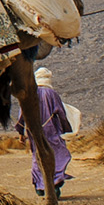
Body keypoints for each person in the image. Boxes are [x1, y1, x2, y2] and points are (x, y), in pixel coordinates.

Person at [18, 64, 74, 194]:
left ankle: (40, 186)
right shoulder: (52, 94)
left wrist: (21, 132)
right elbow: (61, 113)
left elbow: (22, 114)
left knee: (37, 155)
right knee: (57, 154)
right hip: (52, 130)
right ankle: (54, 184)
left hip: (33, 130)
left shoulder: (29, 92)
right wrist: (67, 129)